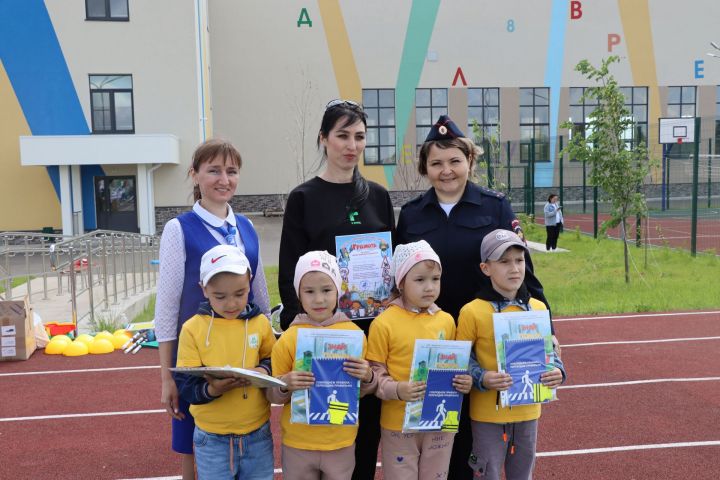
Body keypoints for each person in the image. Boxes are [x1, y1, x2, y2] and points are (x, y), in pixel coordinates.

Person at [395, 115, 553, 479]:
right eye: (436, 163)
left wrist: (547, 330)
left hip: (485, 339)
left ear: (470, 161)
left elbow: (523, 271)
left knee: (479, 434)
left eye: (455, 160)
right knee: (437, 429)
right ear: (425, 168)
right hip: (431, 338)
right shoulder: (412, 214)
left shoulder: (494, 207)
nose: (446, 170)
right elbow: (399, 277)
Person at [278, 99, 395, 479]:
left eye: (359, 136)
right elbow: (288, 276)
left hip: (370, 339)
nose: (351, 145)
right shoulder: (303, 198)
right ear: (323, 139)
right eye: (342, 135)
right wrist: (307, 333)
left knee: (364, 439)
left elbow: (389, 270)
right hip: (323, 342)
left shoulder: (377, 196)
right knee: (323, 441)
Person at [155, 139, 271, 479]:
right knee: (195, 446)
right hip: (198, 361)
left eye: (231, 171)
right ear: (194, 175)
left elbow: (260, 296)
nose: (224, 179)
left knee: (251, 442)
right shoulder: (180, 229)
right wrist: (168, 376)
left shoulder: (246, 227)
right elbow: (166, 307)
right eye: (214, 170)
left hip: (246, 358)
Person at [456, 229, 565, 480]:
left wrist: (558, 372)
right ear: (486, 268)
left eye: (519, 260)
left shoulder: (538, 308)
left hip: (528, 413)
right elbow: (460, 359)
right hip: (487, 416)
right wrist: (482, 377)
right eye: (504, 262)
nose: (514, 268)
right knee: (487, 473)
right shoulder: (472, 311)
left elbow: (550, 352)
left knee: (522, 474)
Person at [366, 240, 473, 480]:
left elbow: (455, 367)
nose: (429, 287)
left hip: (439, 422)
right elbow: (374, 376)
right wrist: (397, 389)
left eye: (435, 279)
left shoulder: (446, 320)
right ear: (401, 283)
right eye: (420, 279)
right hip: (398, 425)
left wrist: (464, 381)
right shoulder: (383, 324)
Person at [269, 251, 377, 480]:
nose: (318, 300)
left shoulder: (355, 336)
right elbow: (272, 395)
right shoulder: (288, 339)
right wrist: (284, 384)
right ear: (298, 294)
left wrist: (367, 377)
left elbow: (361, 392)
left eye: (326, 290)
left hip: (341, 442)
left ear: (338, 290)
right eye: (309, 291)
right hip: (298, 443)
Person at [174, 245, 276, 479]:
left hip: (257, 433)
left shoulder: (260, 323)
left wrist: (262, 369)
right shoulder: (192, 329)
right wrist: (212, 388)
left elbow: (273, 359)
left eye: (240, 294)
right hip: (211, 438)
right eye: (220, 297)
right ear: (204, 289)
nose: (231, 304)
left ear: (250, 282)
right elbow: (185, 381)